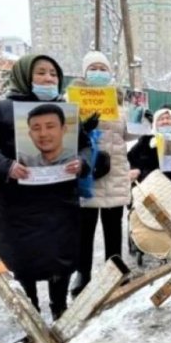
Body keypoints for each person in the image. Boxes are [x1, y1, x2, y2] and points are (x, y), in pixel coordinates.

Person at [0, 54, 90, 319]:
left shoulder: (66, 110)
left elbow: (85, 145)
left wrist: (82, 162)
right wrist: (5, 166)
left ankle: (60, 307)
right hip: (19, 204)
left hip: (60, 201)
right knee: (24, 260)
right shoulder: (2, 110)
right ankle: (30, 309)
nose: (48, 79)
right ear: (24, 76)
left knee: (62, 257)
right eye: (41, 73)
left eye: (53, 74)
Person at [68, 51, 131, 297]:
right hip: (86, 172)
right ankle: (82, 272)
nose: (98, 73)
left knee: (113, 226)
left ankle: (114, 271)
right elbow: (63, 133)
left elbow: (128, 134)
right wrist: (82, 128)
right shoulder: (72, 100)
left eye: (102, 69)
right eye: (93, 68)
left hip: (114, 171)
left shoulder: (118, 103)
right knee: (84, 229)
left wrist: (141, 120)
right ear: (84, 73)